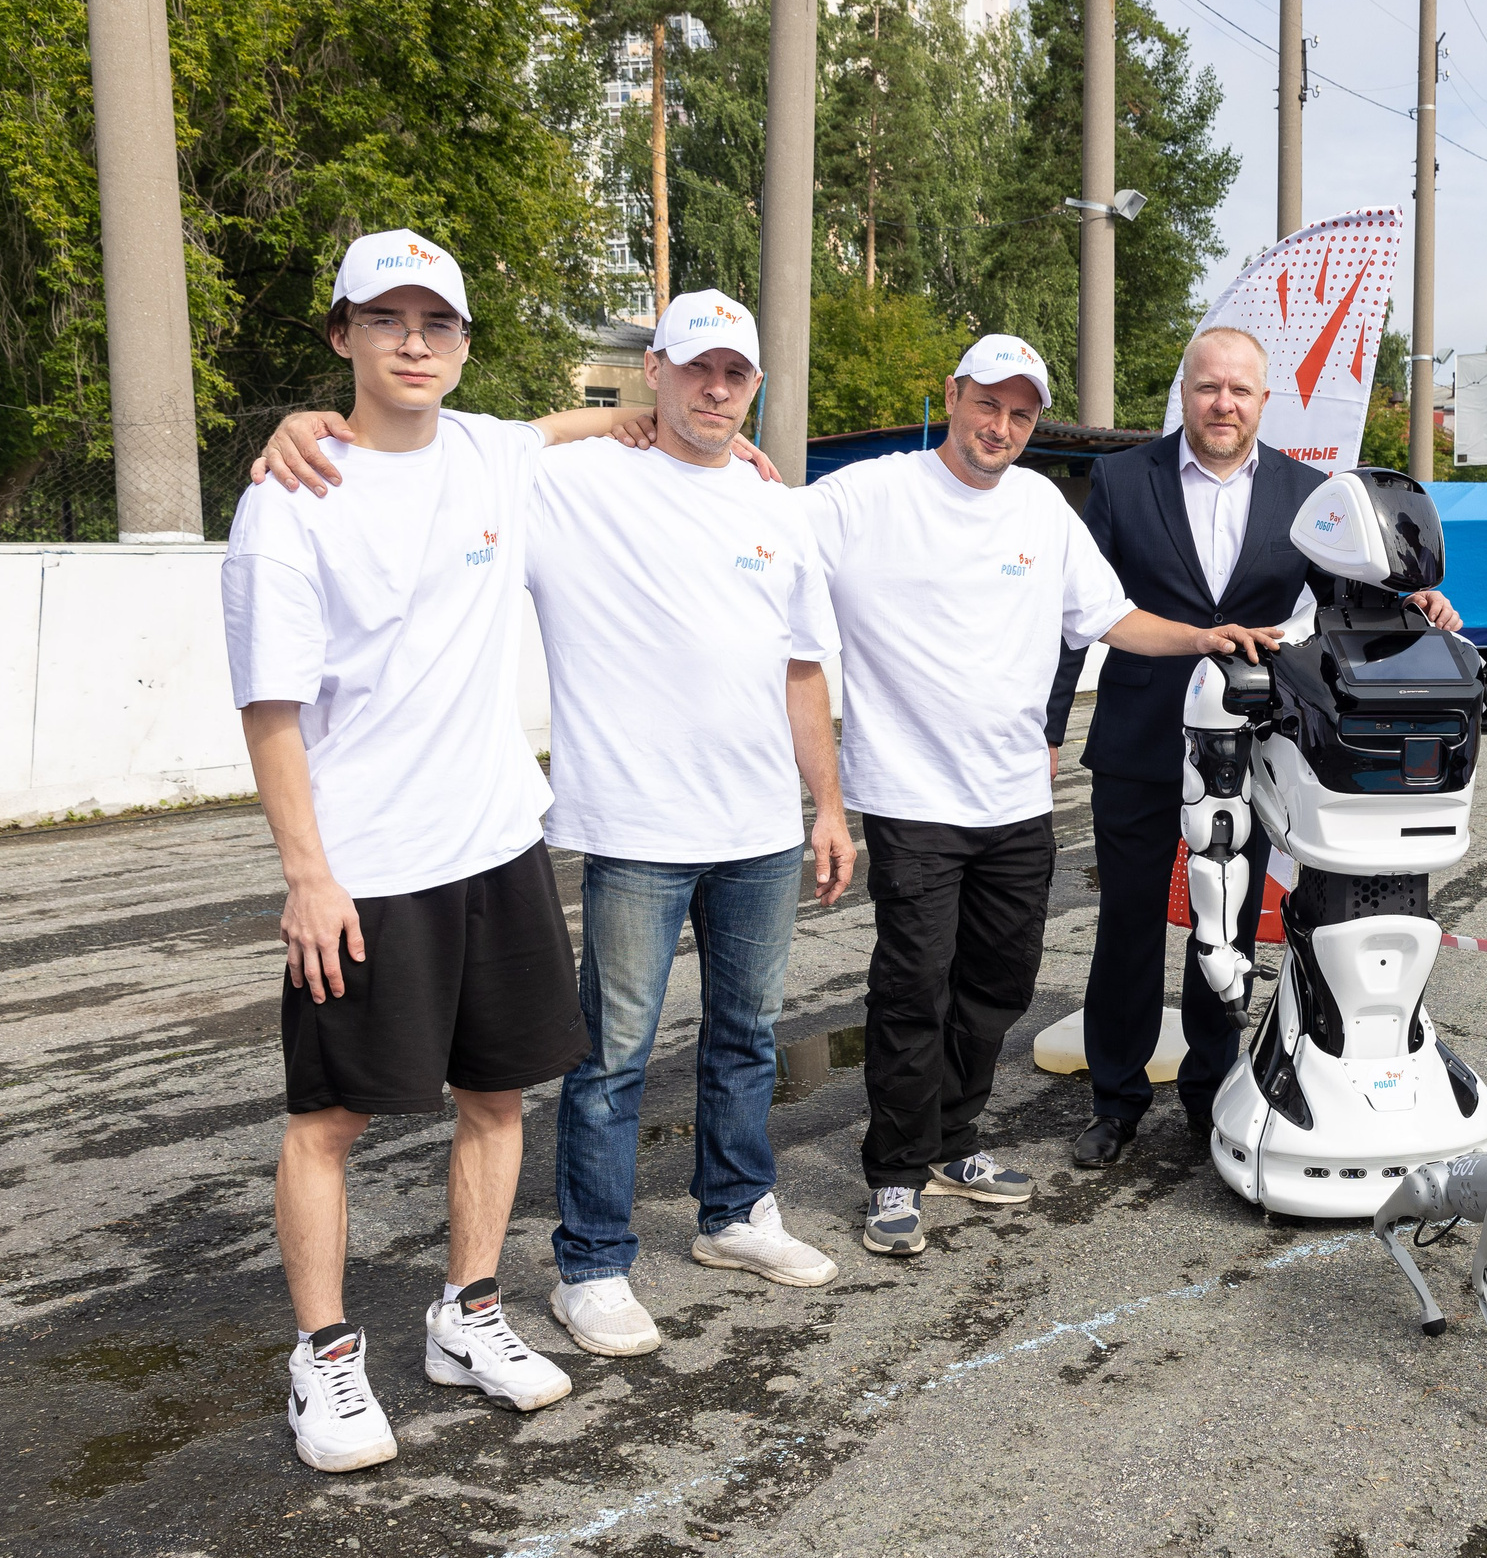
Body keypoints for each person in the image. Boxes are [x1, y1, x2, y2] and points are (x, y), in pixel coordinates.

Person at [226, 229, 596, 1472]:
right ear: (342, 337)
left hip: (496, 841)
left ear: (463, 343)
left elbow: (566, 426)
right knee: (327, 1119)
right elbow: (271, 708)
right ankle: (325, 1358)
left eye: (436, 321)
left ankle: (466, 1313)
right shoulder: (289, 493)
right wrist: (307, 875)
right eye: (385, 320)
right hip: (365, 865)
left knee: (496, 1096)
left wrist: (687, 425)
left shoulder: (491, 452)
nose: (414, 341)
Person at [803, 335, 1284, 1256]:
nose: (1002, 427)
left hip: (1015, 798)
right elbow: (768, 532)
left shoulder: (1041, 507)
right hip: (913, 798)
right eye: (988, 405)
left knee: (998, 985)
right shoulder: (871, 493)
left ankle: (955, 1141)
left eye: (1021, 413)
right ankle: (897, 1173)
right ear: (952, 396)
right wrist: (713, 453)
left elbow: (1108, 618)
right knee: (914, 990)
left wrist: (1204, 638)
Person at [1041, 326, 1460, 1171]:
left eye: (1239, 390)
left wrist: (1417, 611)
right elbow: (1075, 615)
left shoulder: (1309, 495)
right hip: (1136, 741)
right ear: (1184, 392)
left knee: (1222, 919)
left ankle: (1211, 1094)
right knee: (1125, 925)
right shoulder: (1122, 482)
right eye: (1207, 388)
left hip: (1250, 749)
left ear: (1264, 401)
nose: (1223, 403)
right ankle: (1115, 1100)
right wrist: (1046, 729)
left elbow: (1350, 603)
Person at [526, 291, 855, 1357]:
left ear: (754, 386)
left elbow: (803, 670)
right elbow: (473, 452)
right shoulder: (582, 480)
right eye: (696, 369)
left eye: (736, 375)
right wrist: (596, 419)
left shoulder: (777, 509)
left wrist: (828, 806)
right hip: (634, 827)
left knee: (746, 1037)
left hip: (757, 825)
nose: (716, 390)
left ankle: (734, 1214)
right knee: (613, 1058)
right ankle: (590, 1263)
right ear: (657, 369)